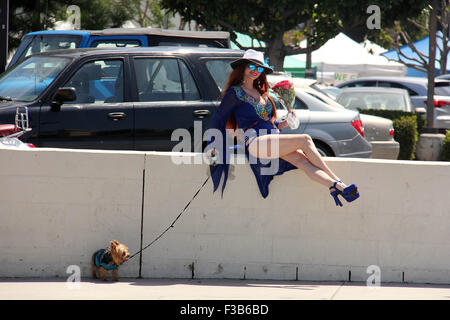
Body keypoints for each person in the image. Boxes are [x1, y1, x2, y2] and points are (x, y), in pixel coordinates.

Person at [206, 49, 359, 206]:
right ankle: (339, 182)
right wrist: (213, 144)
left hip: (271, 138)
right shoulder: (235, 92)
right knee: (305, 139)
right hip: (255, 141)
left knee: (302, 161)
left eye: (259, 69)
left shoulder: (262, 94)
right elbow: (219, 119)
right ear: (243, 67)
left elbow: (269, 123)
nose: (255, 71)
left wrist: (286, 122)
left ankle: (334, 187)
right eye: (252, 67)